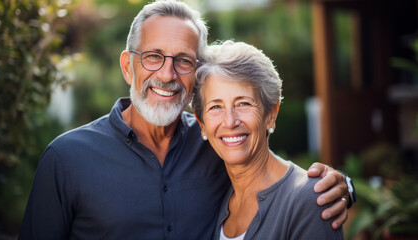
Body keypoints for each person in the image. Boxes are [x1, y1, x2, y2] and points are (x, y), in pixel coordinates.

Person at [19, 1, 352, 239]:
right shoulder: (66, 160)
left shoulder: (215, 142)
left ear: (196, 76)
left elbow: (273, 179)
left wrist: (339, 188)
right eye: (152, 57)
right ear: (127, 66)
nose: (167, 74)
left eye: (183, 61)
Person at [192, 40, 345, 240]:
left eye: (244, 103)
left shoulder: (310, 199)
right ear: (201, 123)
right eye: (215, 107)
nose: (230, 122)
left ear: (271, 114)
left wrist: (346, 186)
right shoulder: (215, 194)